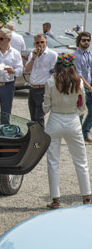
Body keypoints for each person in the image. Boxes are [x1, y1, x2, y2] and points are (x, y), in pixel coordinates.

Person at [43, 52, 91, 209]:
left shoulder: (50, 81)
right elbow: (81, 104)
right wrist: (76, 111)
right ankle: (86, 197)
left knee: (53, 161)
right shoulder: (79, 82)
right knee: (81, 161)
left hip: (55, 119)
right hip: (72, 120)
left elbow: (46, 106)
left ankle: (56, 200)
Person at [24, 33, 57, 127]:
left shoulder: (52, 55)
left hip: (43, 89)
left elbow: (54, 73)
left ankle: (41, 139)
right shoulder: (32, 54)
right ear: (34, 44)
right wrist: (34, 58)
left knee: (39, 117)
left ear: (46, 42)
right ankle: (35, 138)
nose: (40, 45)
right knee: (33, 117)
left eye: (42, 42)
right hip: (32, 88)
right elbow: (26, 70)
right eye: (37, 43)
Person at [74, 32, 92, 142]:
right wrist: (89, 87)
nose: (86, 42)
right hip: (81, 87)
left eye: (88, 40)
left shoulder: (89, 54)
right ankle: (78, 135)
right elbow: (79, 75)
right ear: (79, 41)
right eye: (84, 40)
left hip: (89, 86)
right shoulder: (76, 55)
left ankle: (85, 133)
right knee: (80, 112)